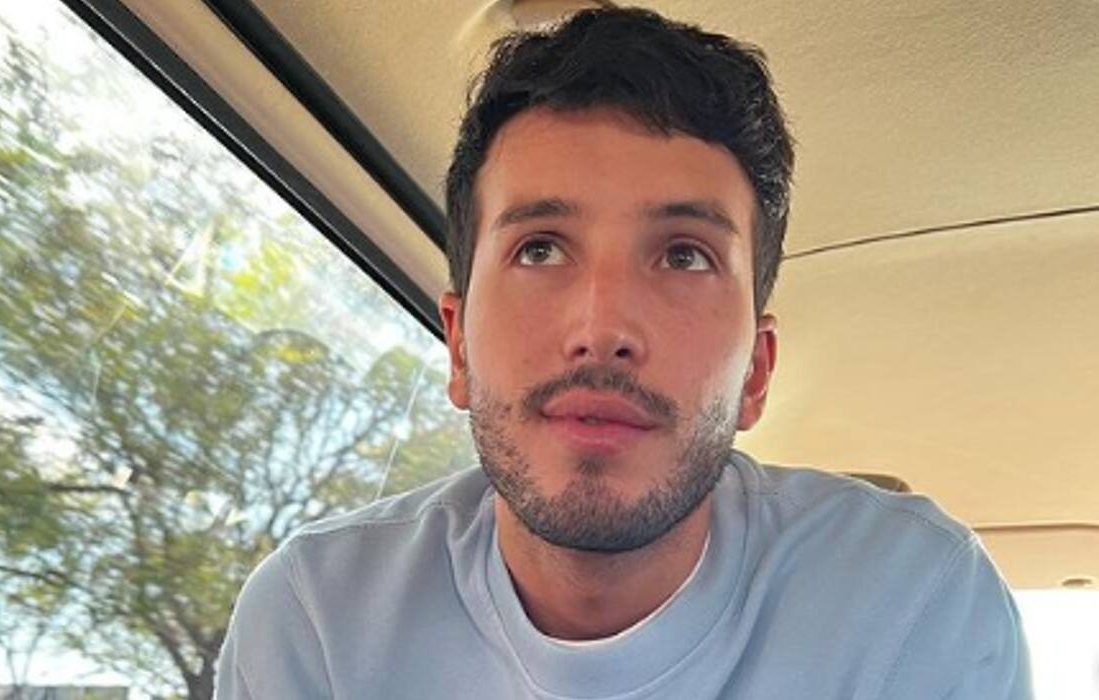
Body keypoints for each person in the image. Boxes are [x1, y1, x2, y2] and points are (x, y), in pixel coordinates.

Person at [215, 7, 1032, 699]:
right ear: (459, 346)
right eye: (540, 248)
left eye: (683, 255)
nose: (602, 326)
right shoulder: (315, 621)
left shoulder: (915, 604)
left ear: (756, 371)